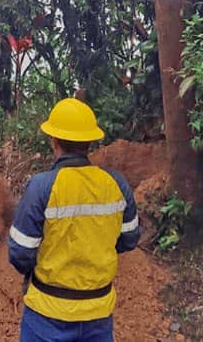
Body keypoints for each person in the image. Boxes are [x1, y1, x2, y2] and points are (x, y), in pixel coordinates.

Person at [9, 98, 140, 341]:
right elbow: (129, 239)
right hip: (98, 313)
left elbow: (20, 253)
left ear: (54, 141)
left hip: (47, 314)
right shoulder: (116, 184)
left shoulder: (41, 187)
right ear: (89, 142)